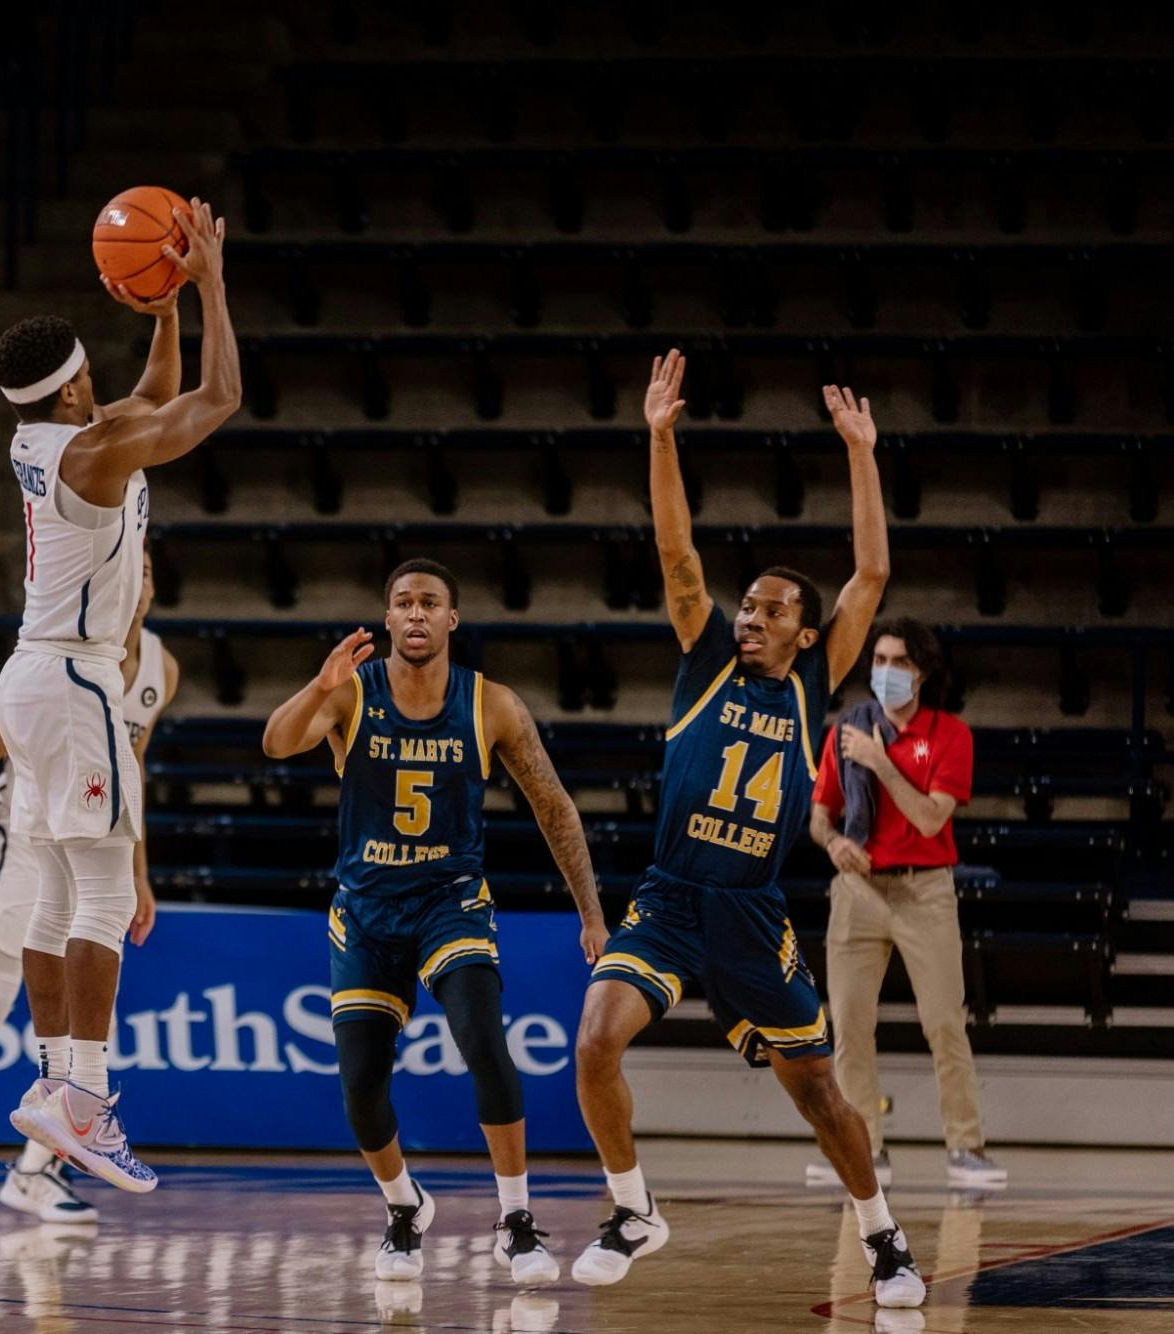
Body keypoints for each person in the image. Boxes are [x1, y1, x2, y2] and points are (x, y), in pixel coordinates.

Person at [570, 351, 926, 1311]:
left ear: (807, 635)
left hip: (752, 913)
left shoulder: (813, 686)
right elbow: (677, 552)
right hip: (670, 898)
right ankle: (634, 1208)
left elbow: (874, 569)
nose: (753, 618)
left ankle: (883, 1236)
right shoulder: (705, 661)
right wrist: (659, 435)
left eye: (773, 610)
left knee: (819, 1097)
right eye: (752, 606)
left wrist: (861, 453)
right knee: (596, 1039)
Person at [261, 558, 607, 1287]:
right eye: (403, 603)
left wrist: (591, 915)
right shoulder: (352, 693)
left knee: (483, 1038)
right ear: (387, 619)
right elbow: (276, 743)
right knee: (360, 1085)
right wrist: (317, 688)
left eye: (430, 603)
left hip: (451, 900)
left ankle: (515, 1220)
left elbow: (554, 806)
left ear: (453, 620)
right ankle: (403, 1205)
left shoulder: (492, 704)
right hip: (366, 909)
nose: (416, 614)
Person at [0, 197, 239, 1193]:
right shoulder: (92, 453)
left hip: (29, 675)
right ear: (67, 389)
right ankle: (82, 1100)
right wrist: (212, 283)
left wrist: (162, 306)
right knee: (97, 886)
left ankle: (55, 1083)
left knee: (53, 890)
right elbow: (212, 401)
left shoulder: (56, 435)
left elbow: (152, 390)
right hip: (77, 676)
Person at [0, 556, 178, 1228]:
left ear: (154, 589)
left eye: (147, 572)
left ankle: (35, 1171)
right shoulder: (59, 651)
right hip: (24, 833)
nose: (134, 583)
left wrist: (139, 871)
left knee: (92, 1009)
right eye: (125, 568)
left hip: (99, 825)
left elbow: (130, 763)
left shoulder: (160, 669)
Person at [808, 617, 1002, 1189]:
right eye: (880, 660)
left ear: (921, 672)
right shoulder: (847, 730)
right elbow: (820, 817)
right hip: (858, 890)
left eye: (898, 662)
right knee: (849, 1024)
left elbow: (928, 817)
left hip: (925, 889)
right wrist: (836, 842)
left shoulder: (949, 735)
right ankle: (862, 1150)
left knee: (944, 1023)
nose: (885, 672)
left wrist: (880, 761)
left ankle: (966, 1147)